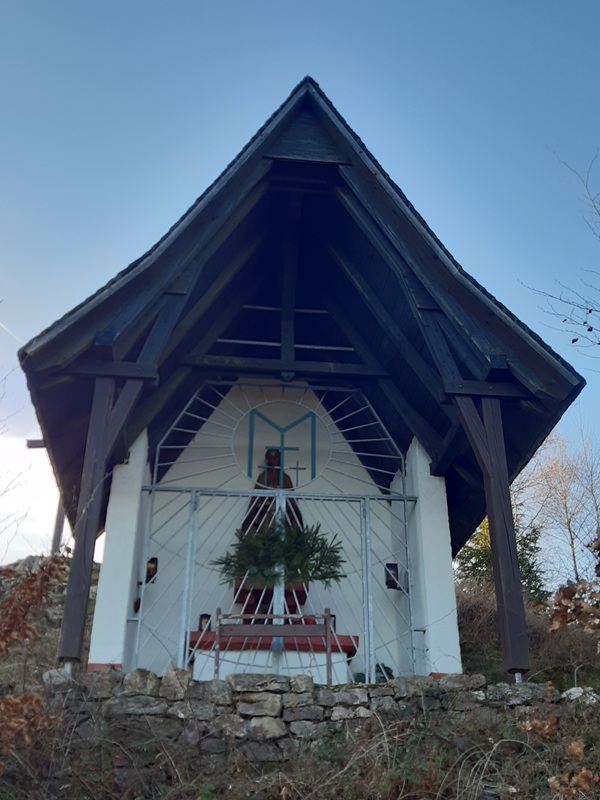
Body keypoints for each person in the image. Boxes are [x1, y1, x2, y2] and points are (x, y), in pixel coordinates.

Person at [242, 448, 303, 533]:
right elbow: (255, 499)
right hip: (266, 511)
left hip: (282, 512)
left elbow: (292, 500)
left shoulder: (285, 478)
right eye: (271, 457)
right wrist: (268, 494)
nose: (274, 459)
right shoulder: (262, 477)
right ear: (267, 459)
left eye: (276, 457)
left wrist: (280, 493)